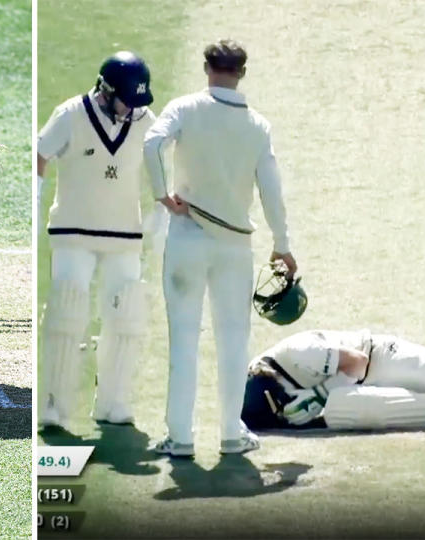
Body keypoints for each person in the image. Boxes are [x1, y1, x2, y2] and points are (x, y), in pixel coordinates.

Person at [143, 39, 296, 457]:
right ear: (242, 72)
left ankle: (180, 438)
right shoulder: (257, 125)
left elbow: (152, 145)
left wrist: (162, 194)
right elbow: (271, 190)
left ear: (207, 67)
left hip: (187, 236)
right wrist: (282, 245)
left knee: (184, 341)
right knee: (233, 342)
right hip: (234, 247)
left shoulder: (184, 108)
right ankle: (231, 434)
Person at [37, 51, 156, 430]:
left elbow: (161, 169)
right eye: (127, 99)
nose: (132, 109)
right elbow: (41, 153)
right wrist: (38, 201)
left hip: (124, 234)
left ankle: (113, 402)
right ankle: (54, 406)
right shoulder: (71, 114)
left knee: (127, 315)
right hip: (73, 230)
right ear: (105, 91)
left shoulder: (145, 121)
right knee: (67, 311)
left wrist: (161, 220)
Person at [241, 329, 425, 430]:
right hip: (359, 388)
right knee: (340, 410)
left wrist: (318, 396)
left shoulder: (299, 352)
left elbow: (358, 363)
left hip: (379, 359)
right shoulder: (261, 393)